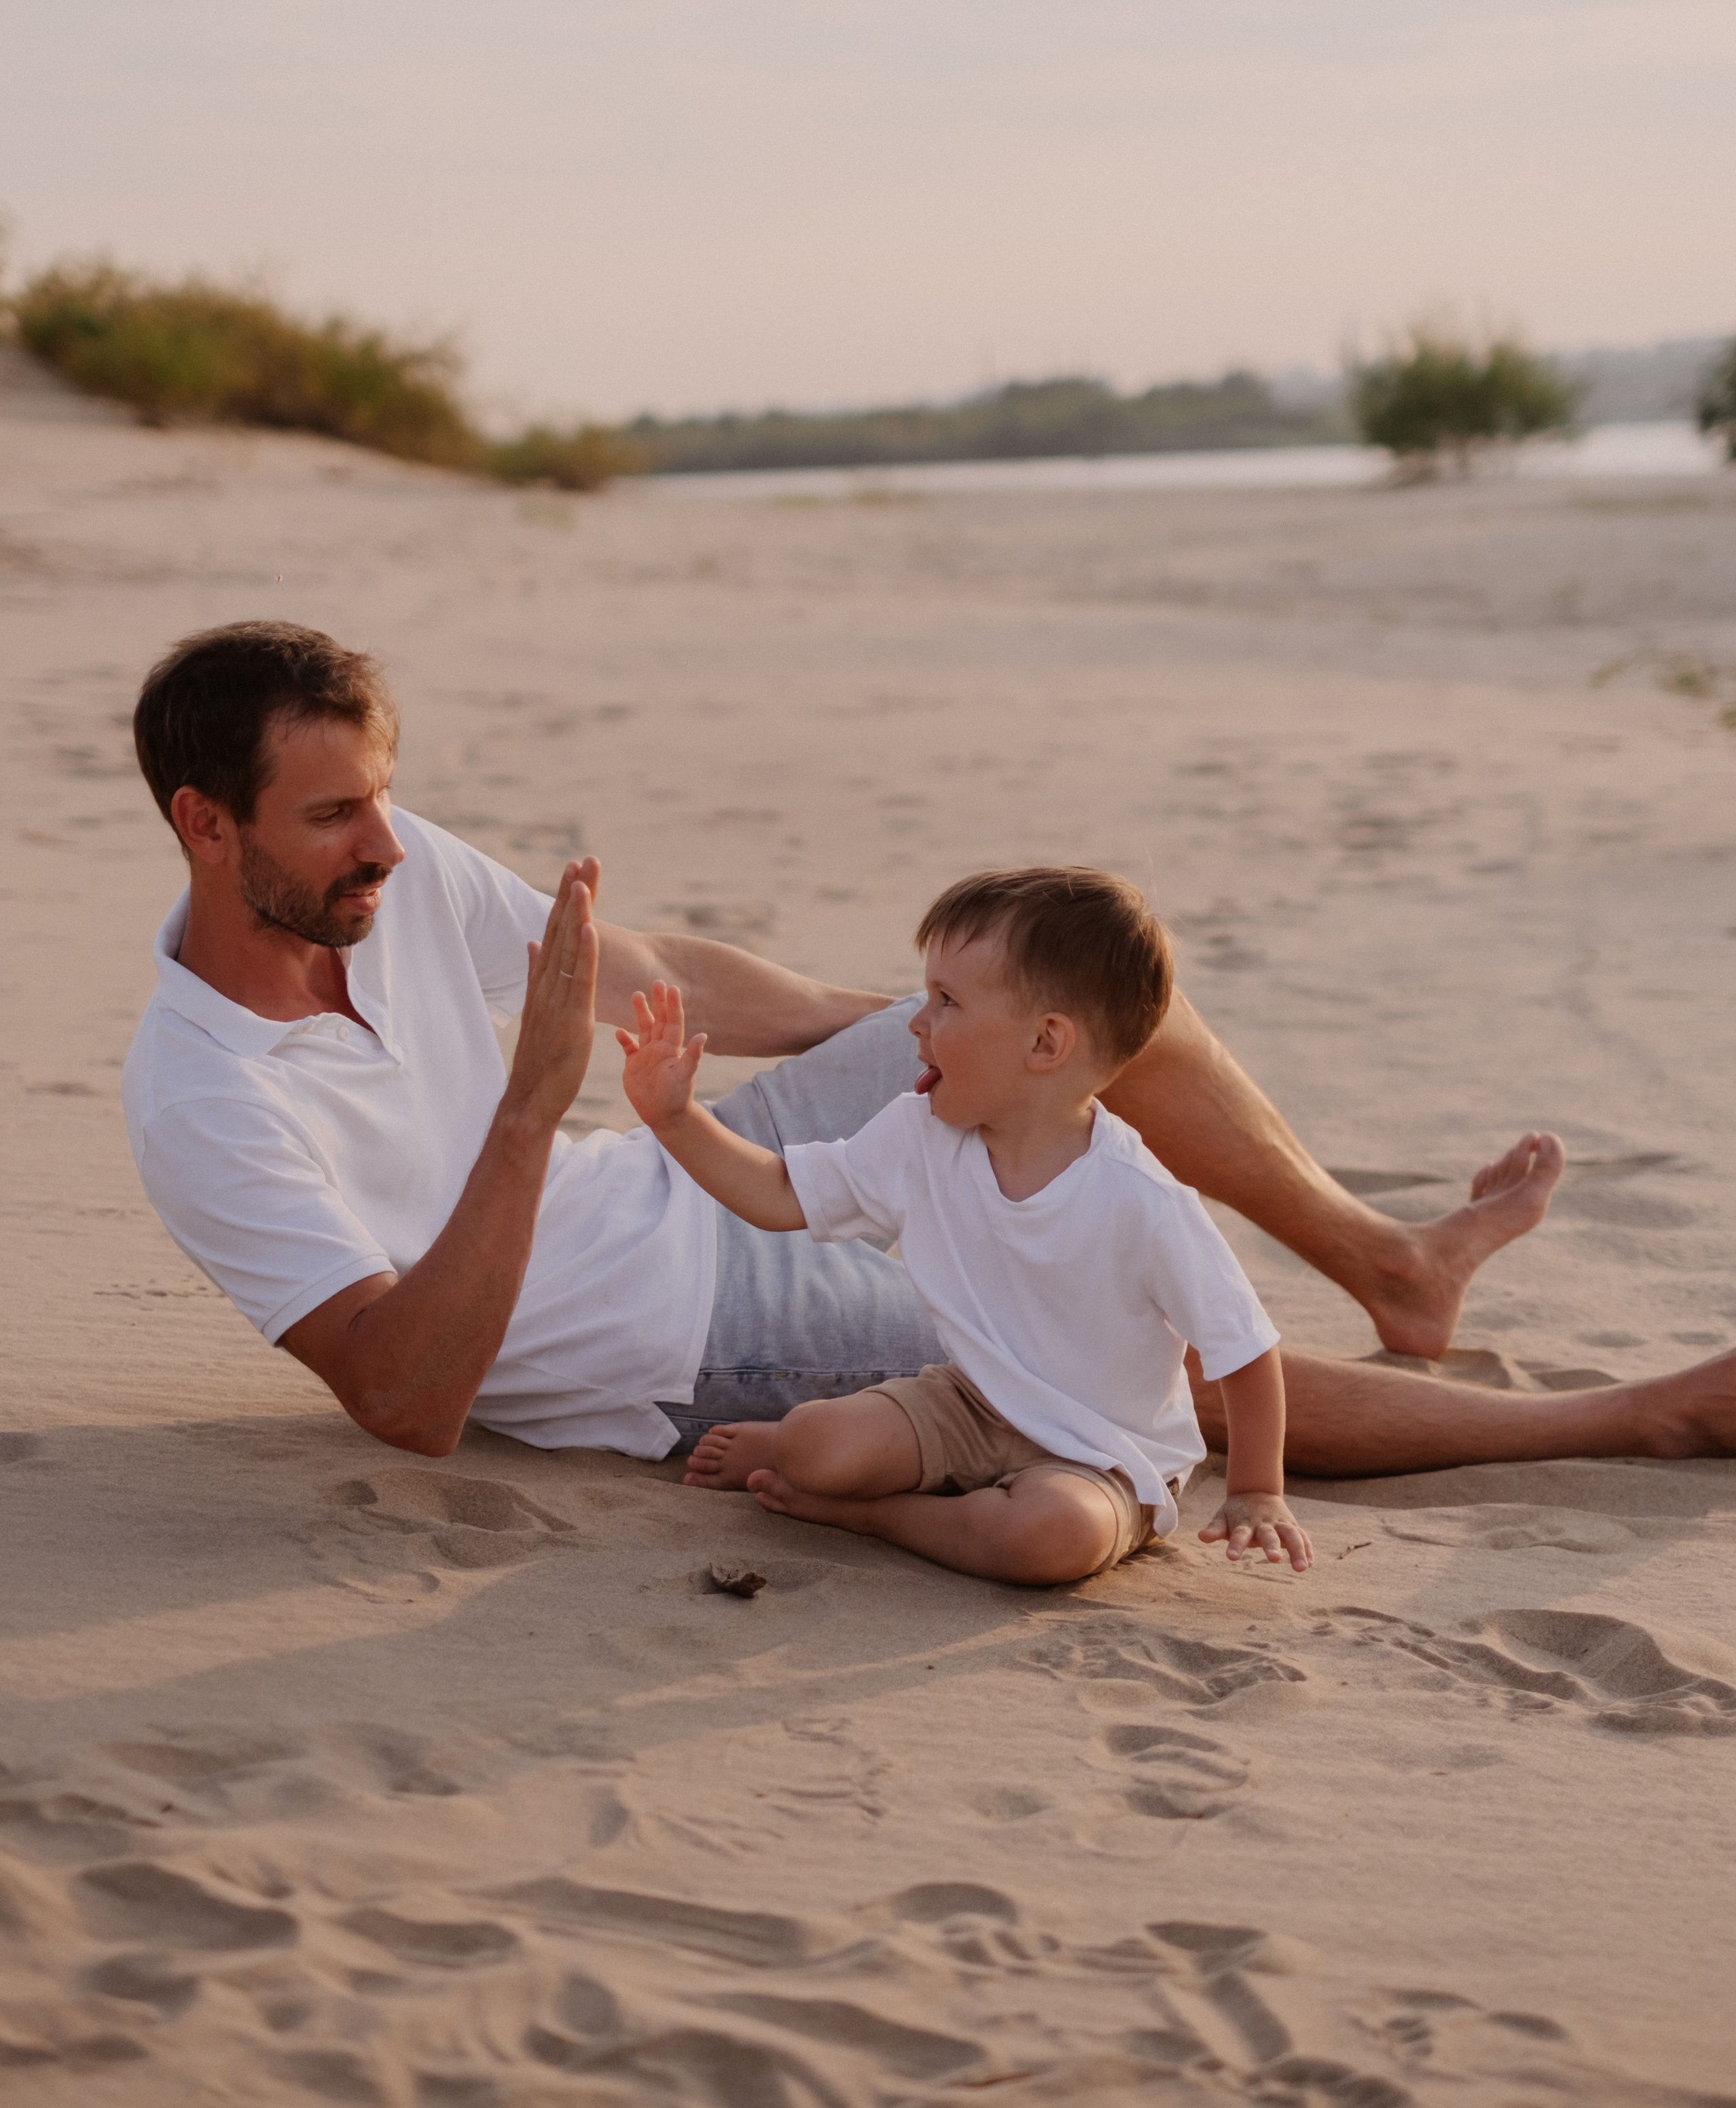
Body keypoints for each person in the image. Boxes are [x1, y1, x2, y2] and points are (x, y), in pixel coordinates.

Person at [123, 620, 1736, 1475]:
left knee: (1087, 990)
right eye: (335, 814)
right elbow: (405, 1399)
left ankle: (1389, 1266)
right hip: (681, 1344)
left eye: (386, 797)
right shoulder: (198, 1101)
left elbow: (657, 973)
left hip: (701, 1174)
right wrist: (528, 1120)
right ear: (208, 826)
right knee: (1108, 1352)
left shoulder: (379, 882)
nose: (385, 846)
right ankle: (1623, 1418)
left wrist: (893, 1027)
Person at [616, 867, 1314, 1585]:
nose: (916, 1020)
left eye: (946, 1001)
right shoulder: (921, 1134)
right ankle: (820, 1469)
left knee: (1049, 1538)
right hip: (969, 1403)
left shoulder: (1144, 1202)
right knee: (815, 1447)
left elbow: (1243, 1349)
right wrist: (677, 1118)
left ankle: (871, 1515)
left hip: (1102, 1455)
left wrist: (1256, 1489)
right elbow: (780, 1195)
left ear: (1045, 1044)